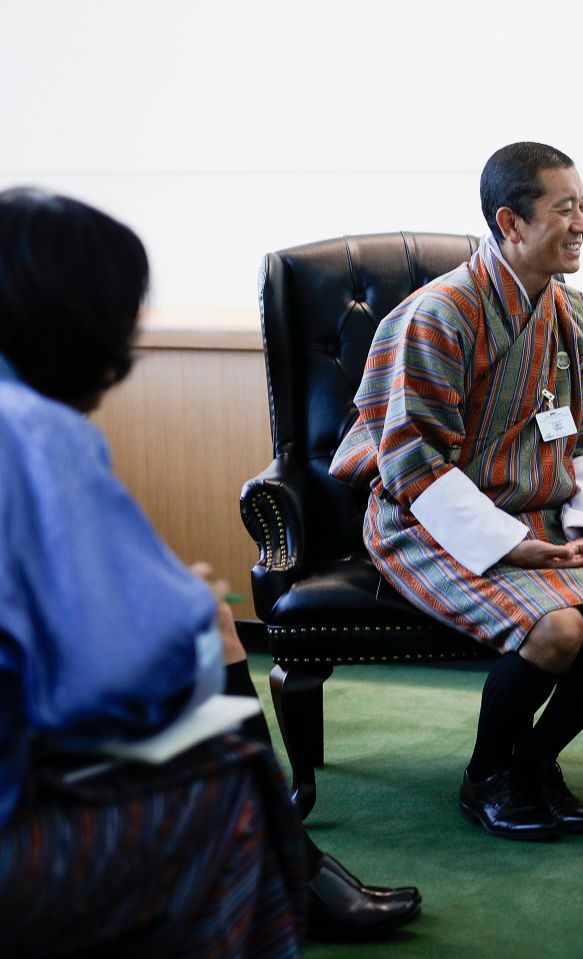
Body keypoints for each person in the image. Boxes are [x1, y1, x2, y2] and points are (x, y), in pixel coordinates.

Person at [0, 188, 418, 953]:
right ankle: (293, 866)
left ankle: (301, 865)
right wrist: (185, 607)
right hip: (17, 836)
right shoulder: (36, 434)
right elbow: (118, 678)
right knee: (233, 778)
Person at [330, 141, 583, 841]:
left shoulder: (571, 312)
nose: (582, 224)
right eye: (564, 208)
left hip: (539, 513)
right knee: (558, 625)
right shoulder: (439, 314)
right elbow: (415, 463)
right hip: (428, 520)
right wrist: (513, 546)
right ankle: (486, 774)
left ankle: (536, 759)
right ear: (511, 223)